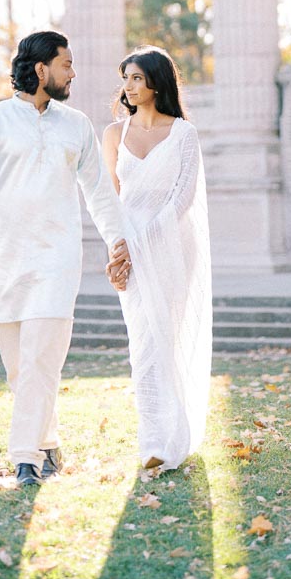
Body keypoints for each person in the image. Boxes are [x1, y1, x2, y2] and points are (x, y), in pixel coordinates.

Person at [0, 31, 130, 487]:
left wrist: (117, 242)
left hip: (56, 258)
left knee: (40, 361)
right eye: (66, 64)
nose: (73, 73)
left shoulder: (76, 125)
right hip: (2, 260)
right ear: (41, 70)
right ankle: (47, 438)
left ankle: (25, 458)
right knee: (20, 368)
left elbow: (99, 193)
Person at [103, 45, 212, 471]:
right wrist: (117, 248)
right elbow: (110, 199)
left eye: (135, 78)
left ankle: (174, 437)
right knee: (142, 343)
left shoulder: (184, 134)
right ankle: (152, 441)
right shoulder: (114, 133)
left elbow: (181, 200)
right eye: (125, 78)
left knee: (168, 337)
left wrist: (140, 242)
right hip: (127, 250)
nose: (128, 87)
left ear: (155, 82)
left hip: (172, 247)